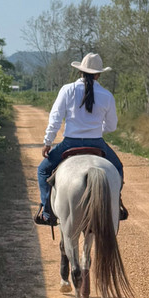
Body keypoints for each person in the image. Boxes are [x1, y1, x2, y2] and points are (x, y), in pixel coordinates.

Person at [34, 53, 127, 226]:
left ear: (80, 72)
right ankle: (116, 206)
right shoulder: (107, 95)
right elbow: (112, 126)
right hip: (97, 143)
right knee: (118, 169)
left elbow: (55, 118)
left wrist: (48, 142)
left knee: (43, 171)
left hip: (70, 142)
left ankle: (47, 212)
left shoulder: (67, 90)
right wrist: (96, 130)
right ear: (98, 74)